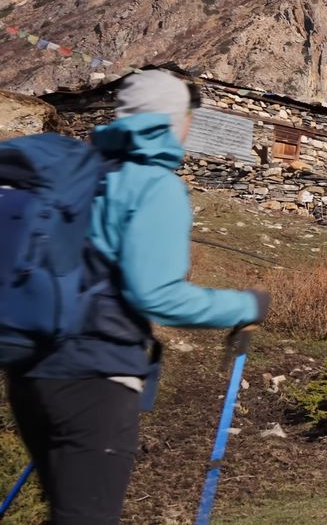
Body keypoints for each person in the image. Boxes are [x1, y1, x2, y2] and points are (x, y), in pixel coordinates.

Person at [5, 69, 268, 524]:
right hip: (95, 374)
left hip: (32, 370)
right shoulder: (153, 184)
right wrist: (245, 305)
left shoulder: (82, 174)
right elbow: (158, 296)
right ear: (174, 120)